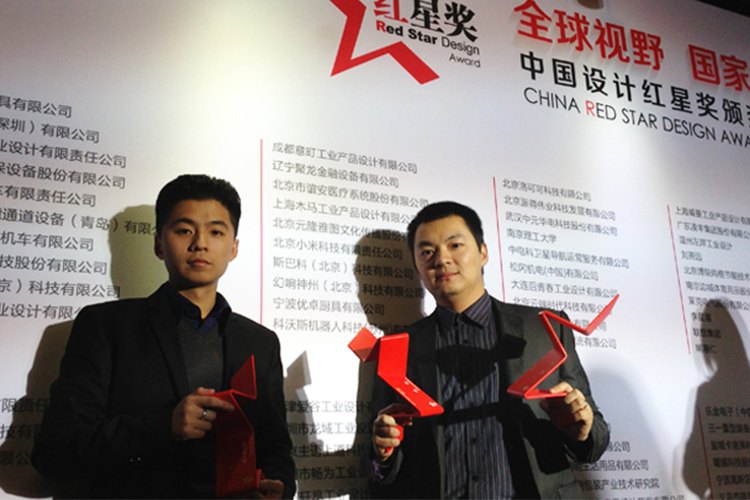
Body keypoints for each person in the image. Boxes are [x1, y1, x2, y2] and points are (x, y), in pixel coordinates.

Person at [32, 174, 296, 498]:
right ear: (159, 243)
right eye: (184, 230)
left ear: (234, 248)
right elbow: (55, 451)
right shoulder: (106, 326)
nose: (200, 243)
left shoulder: (260, 342)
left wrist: (279, 487)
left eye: (216, 231)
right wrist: (163, 427)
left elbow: (276, 450)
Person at [368, 201, 610, 499]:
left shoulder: (544, 329)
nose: (441, 259)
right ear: (417, 267)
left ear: (483, 252)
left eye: (455, 245)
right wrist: (383, 453)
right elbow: (378, 467)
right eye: (427, 252)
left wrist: (581, 430)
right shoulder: (397, 348)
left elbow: (595, 440)